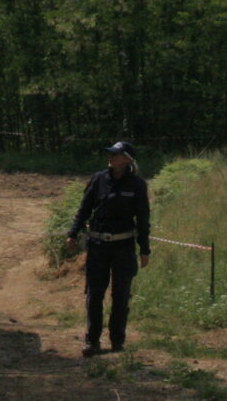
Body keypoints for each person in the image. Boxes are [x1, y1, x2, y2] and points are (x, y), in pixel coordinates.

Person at [66, 141, 151, 357]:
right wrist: (73, 233)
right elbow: (84, 208)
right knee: (94, 294)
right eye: (111, 154)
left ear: (127, 159)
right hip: (98, 246)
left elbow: (143, 218)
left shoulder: (137, 185)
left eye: (116, 154)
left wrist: (144, 249)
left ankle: (117, 341)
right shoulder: (98, 179)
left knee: (120, 295)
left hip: (123, 247)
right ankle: (92, 340)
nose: (111, 157)